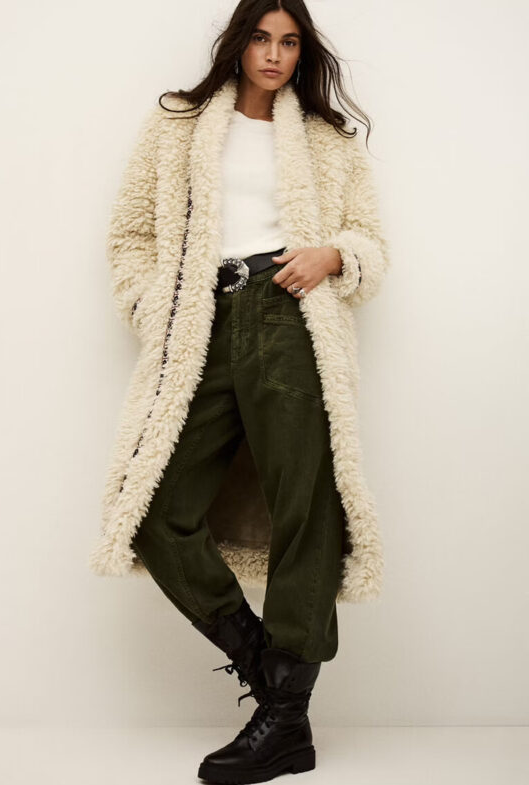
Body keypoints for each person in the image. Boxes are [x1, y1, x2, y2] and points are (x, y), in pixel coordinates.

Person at [90, 2, 390, 782]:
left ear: (303, 54)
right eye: (261, 37)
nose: (274, 54)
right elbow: (130, 235)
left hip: (289, 314)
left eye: (289, 42)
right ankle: (269, 672)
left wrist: (333, 254)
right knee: (155, 507)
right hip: (200, 323)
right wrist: (156, 307)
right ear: (238, 43)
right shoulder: (178, 124)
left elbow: (373, 242)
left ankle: (284, 720)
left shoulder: (329, 141)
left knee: (304, 505)